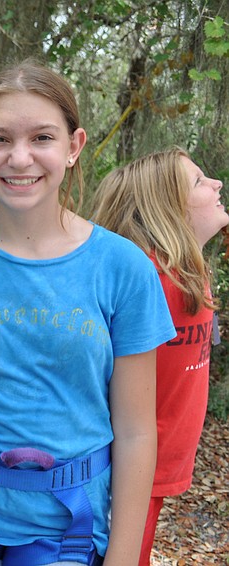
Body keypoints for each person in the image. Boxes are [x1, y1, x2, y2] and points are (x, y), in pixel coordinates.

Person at [0, 61, 176, 566]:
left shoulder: (122, 268)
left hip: (69, 530)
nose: (20, 159)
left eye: (42, 137)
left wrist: (124, 556)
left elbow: (135, 429)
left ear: (73, 146)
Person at [92, 148, 228, 565]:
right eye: (200, 181)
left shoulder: (191, 272)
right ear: (165, 208)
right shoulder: (146, 276)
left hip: (159, 465)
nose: (217, 184)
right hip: (124, 471)